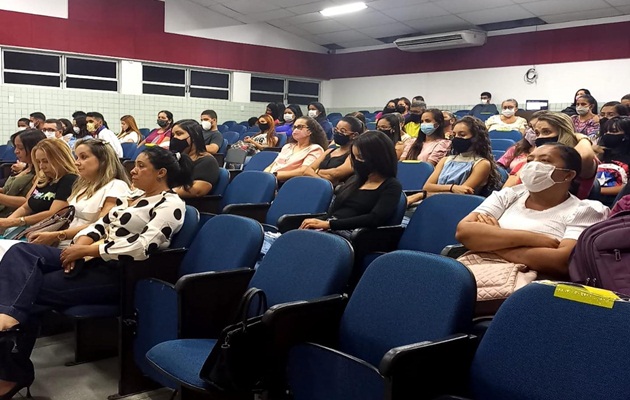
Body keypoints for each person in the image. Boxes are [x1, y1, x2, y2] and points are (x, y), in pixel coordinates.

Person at [0, 146, 192, 397]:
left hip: (117, 271)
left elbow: (143, 246)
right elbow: (99, 226)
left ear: (161, 173)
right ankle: (7, 317)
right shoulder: (132, 196)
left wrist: (87, 252)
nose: (133, 170)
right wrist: (79, 246)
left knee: (29, 291)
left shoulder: (171, 204)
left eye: (141, 166)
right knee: (21, 253)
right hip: (91, 259)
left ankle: (11, 371)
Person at [456, 143, 609, 280]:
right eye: (530, 160)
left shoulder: (586, 210)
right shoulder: (509, 195)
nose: (533, 166)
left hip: (528, 288)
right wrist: (532, 239)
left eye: (545, 161)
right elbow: (464, 232)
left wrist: (492, 242)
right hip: (477, 270)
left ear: (568, 175)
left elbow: (561, 262)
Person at [300, 130, 403, 232]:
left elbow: (375, 219)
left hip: (353, 235)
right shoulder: (355, 180)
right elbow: (334, 212)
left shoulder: (391, 186)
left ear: (379, 158)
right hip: (331, 227)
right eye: (355, 157)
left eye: (361, 157)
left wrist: (329, 224)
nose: (357, 162)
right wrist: (316, 222)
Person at [407, 116, 500, 206]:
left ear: (476, 138)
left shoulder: (482, 164)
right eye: (454, 135)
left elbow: (461, 194)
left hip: (457, 207)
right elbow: (427, 187)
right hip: (434, 203)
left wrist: (422, 195)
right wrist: (453, 188)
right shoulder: (445, 160)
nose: (456, 138)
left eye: (462, 135)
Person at [506, 112, 597, 200]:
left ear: (563, 133)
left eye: (546, 132)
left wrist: (583, 138)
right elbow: (506, 193)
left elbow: (583, 156)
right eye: (537, 133)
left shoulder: (578, 162)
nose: (540, 137)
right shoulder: (530, 161)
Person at [0, 139, 78, 235]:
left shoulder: (69, 179)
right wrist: (6, 222)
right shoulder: (45, 179)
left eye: (45, 161)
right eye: (38, 162)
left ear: (60, 159)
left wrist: (17, 221)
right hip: (27, 227)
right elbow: (26, 207)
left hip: (45, 232)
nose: (41, 166)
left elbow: (55, 213)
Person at [302, 116, 363, 185]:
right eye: (336, 130)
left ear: (354, 135)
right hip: (317, 187)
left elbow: (335, 173)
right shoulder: (329, 151)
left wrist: (316, 171)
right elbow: (307, 171)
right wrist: (323, 182)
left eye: (342, 131)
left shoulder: (354, 154)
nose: (337, 133)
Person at [264, 116, 327, 182]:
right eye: (294, 127)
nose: (295, 130)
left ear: (309, 131)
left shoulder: (315, 149)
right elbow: (273, 164)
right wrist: (265, 175)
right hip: (271, 180)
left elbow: (304, 171)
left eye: (299, 127)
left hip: (288, 183)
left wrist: (275, 175)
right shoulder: (288, 146)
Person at [0, 130, 46, 218]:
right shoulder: (25, 168)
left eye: (20, 148)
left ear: (33, 148)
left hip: (12, 216)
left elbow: (28, 202)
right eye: (15, 147)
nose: (16, 152)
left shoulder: (41, 173)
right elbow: (8, 190)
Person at [169, 119, 219, 198]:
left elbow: (197, 190)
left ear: (194, 136)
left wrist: (164, 193)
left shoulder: (208, 161)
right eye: (173, 135)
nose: (174, 138)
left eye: (179, 134)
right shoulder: (176, 158)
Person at [593, 117, 630, 207]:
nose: (608, 135)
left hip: (617, 204)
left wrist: (598, 190)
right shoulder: (600, 154)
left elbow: (627, 188)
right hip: (593, 201)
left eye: (613, 132)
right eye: (606, 132)